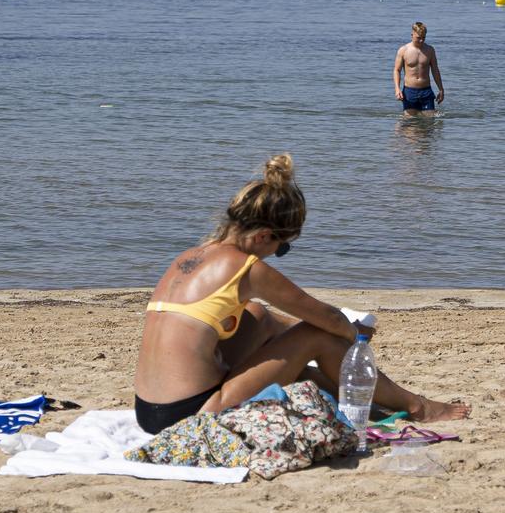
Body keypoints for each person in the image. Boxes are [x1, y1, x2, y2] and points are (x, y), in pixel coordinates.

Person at [133, 154, 470, 434]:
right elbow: (327, 318)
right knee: (316, 335)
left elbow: (269, 322)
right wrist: (355, 334)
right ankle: (417, 406)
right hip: (192, 415)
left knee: (258, 315)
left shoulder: (190, 257)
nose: (277, 256)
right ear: (264, 236)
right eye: (283, 248)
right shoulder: (245, 267)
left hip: (148, 412)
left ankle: (364, 398)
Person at [393, 20, 444, 113]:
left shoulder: (430, 50)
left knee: (429, 123)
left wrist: (441, 89)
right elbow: (397, 70)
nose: (421, 40)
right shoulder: (403, 50)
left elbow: (435, 70)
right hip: (409, 92)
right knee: (410, 123)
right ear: (412, 35)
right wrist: (397, 89)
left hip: (426, 91)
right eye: (418, 38)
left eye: (423, 38)